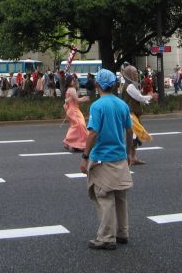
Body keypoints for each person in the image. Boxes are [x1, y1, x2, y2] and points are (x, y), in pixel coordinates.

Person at [79, 69, 133, 250]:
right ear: (114, 84)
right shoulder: (122, 105)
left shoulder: (97, 106)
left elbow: (93, 132)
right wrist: (129, 152)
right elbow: (129, 130)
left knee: (104, 196)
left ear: (97, 84)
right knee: (121, 195)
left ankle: (106, 237)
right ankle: (122, 232)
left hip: (102, 157)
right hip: (120, 156)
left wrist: (85, 156)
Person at [120, 65, 153, 166]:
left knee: (135, 135)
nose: (137, 74)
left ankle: (133, 157)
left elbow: (138, 98)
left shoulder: (129, 85)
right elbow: (139, 97)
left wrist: (147, 99)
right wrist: (150, 97)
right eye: (134, 73)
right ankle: (131, 157)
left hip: (132, 113)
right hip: (131, 114)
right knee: (134, 135)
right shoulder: (129, 86)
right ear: (129, 74)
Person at [63, 75, 90, 152]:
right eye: (72, 80)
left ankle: (77, 144)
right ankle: (68, 140)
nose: (74, 81)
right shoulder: (72, 89)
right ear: (69, 81)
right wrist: (84, 99)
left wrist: (83, 98)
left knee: (78, 126)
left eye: (74, 80)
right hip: (74, 110)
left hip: (71, 110)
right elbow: (77, 100)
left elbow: (70, 100)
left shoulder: (69, 89)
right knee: (80, 125)